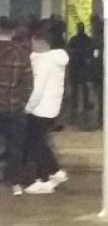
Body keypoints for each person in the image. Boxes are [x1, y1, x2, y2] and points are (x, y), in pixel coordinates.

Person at [21, 28, 69, 194]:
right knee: (40, 142)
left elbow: (37, 89)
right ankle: (49, 176)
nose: (31, 45)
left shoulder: (43, 62)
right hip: (52, 107)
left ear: (41, 43)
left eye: (33, 41)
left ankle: (50, 174)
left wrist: (28, 107)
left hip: (40, 108)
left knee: (35, 144)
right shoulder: (56, 60)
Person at [0, 17, 33, 196]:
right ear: (13, 32)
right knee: (15, 146)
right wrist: (23, 101)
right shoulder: (20, 54)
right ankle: (15, 183)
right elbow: (28, 84)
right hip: (14, 107)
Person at [67, 22, 94, 116]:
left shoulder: (73, 40)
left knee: (76, 87)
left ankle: (75, 104)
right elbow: (91, 52)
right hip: (83, 66)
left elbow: (69, 50)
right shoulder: (88, 40)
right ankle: (85, 103)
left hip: (75, 66)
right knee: (84, 86)